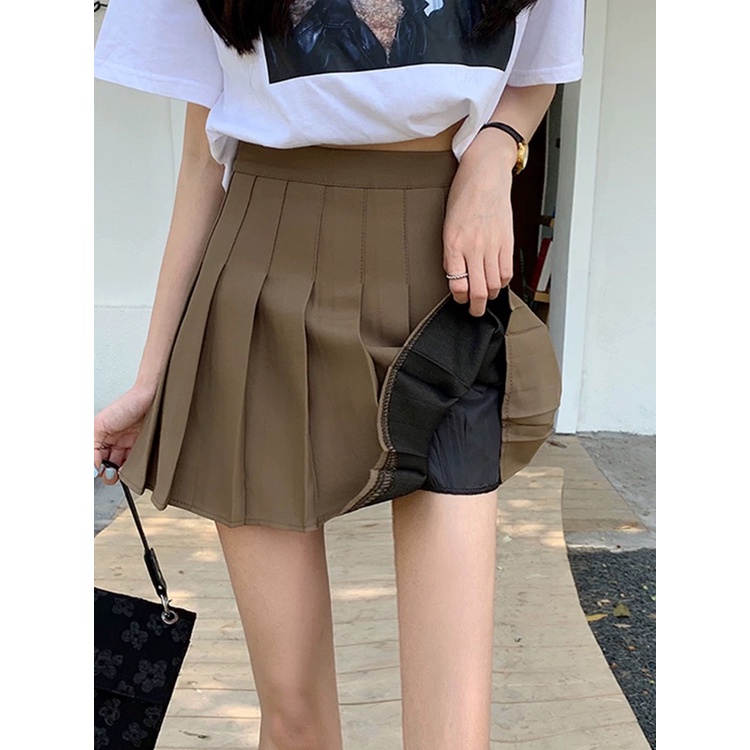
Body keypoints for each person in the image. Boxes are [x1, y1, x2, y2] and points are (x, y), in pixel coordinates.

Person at [93, 1, 584, 748]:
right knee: (297, 721)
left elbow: (540, 65)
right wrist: (150, 380)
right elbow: (202, 162)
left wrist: (495, 151)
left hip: (445, 293)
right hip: (260, 289)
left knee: (455, 736)